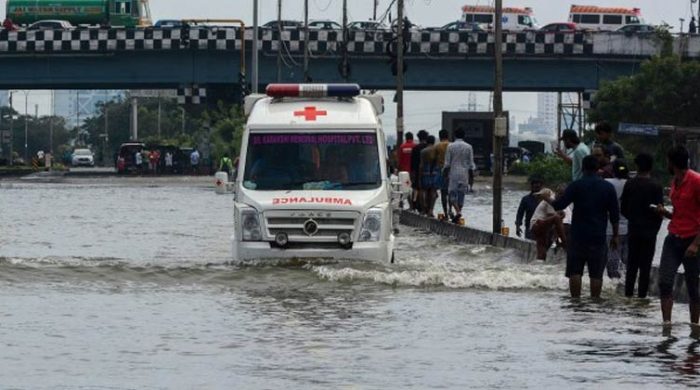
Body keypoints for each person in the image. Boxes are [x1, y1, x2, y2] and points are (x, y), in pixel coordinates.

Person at [552, 155, 620, 298]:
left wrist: (548, 199)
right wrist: (615, 235)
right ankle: (594, 303)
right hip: (598, 236)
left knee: (575, 272)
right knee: (596, 274)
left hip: (578, 235)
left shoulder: (576, 185)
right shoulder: (608, 187)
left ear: (582, 168)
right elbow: (614, 214)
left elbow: (560, 205)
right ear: (598, 169)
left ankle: (575, 302)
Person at [655, 146, 700, 326]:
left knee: (693, 286)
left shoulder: (696, 181)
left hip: (693, 239)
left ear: (672, 163)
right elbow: (681, 213)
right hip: (674, 237)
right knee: (665, 282)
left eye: (668, 161)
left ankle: (695, 327)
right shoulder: (675, 182)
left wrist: (696, 244)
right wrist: (665, 212)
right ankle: (667, 325)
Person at [620, 153, 663, 298]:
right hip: (650, 232)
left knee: (631, 265)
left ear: (637, 166)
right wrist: (654, 228)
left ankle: (628, 296)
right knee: (645, 267)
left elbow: (623, 208)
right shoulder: (656, 186)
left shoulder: (630, 184)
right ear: (651, 167)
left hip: (634, 229)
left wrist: (633, 218)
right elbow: (660, 211)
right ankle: (642, 298)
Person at [443, 127, 476, 224]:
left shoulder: (450, 146)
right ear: (464, 136)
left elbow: (447, 163)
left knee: (452, 195)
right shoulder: (469, 147)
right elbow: (471, 164)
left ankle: (458, 211)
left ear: (454, 136)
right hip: (464, 174)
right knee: (461, 195)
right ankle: (458, 214)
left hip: (453, 174)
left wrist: (444, 174)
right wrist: (471, 178)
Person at [604, 159, 629, 279]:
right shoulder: (632, 183)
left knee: (612, 260)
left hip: (611, 229)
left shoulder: (606, 183)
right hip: (630, 228)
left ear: (613, 171)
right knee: (628, 261)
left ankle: (614, 287)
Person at [530, 188, 567, 261]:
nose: (561, 197)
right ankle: (565, 243)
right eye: (560, 194)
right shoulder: (551, 200)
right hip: (537, 224)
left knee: (542, 250)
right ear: (556, 193)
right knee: (557, 218)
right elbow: (554, 218)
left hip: (538, 226)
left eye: (563, 195)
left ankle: (539, 263)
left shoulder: (555, 202)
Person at [515, 175, 544, 239]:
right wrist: (518, 226)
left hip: (544, 229)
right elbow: (520, 213)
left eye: (539, 186)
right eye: (535, 186)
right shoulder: (526, 199)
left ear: (541, 187)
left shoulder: (546, 199)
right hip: (530, 229)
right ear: (531, 186)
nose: (537, 188)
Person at [410, 130, 429, 212]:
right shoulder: (429, 148)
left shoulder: (415, 148)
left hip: (417, 171)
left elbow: (413, 163)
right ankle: (428, 207)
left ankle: (419, 206)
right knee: (428, 189)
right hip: (428, 171)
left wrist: (412, 174)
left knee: (418, 188)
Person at [434, 129, 451, 220]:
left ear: (440, 136)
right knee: (451, 192)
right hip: (451, 171)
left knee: (443, 193)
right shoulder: (451, 145)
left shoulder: (437, 146)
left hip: (441, 170)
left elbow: (434, 158)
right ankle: (451, 210)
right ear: (447, 136)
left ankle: (446, 213)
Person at [419, 135, 438, 217]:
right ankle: (431, 210)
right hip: (434, 173)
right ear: (434, 141)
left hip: (425, 172)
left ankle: (424, 209)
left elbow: (421, 165)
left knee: (424, 191)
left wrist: (419, 176)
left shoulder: (423, 151)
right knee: (433, 192)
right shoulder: (437, 150)